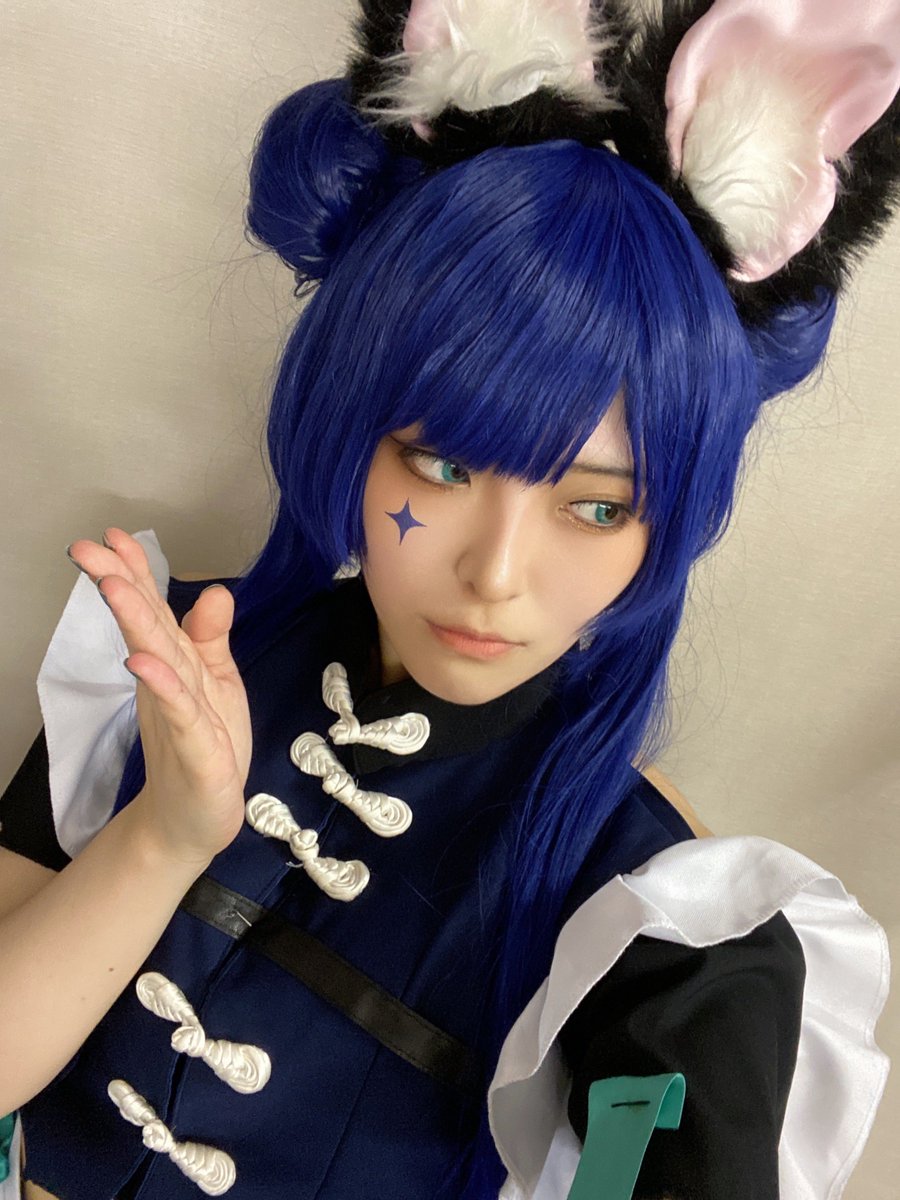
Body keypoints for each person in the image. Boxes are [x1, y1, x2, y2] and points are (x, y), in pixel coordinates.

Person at [0, 1, 897, 1197]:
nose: (496, 574)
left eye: (597, 509)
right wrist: (163, 837)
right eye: (442, 466)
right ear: (349, 425)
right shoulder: (162, 664)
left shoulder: (650, 908)